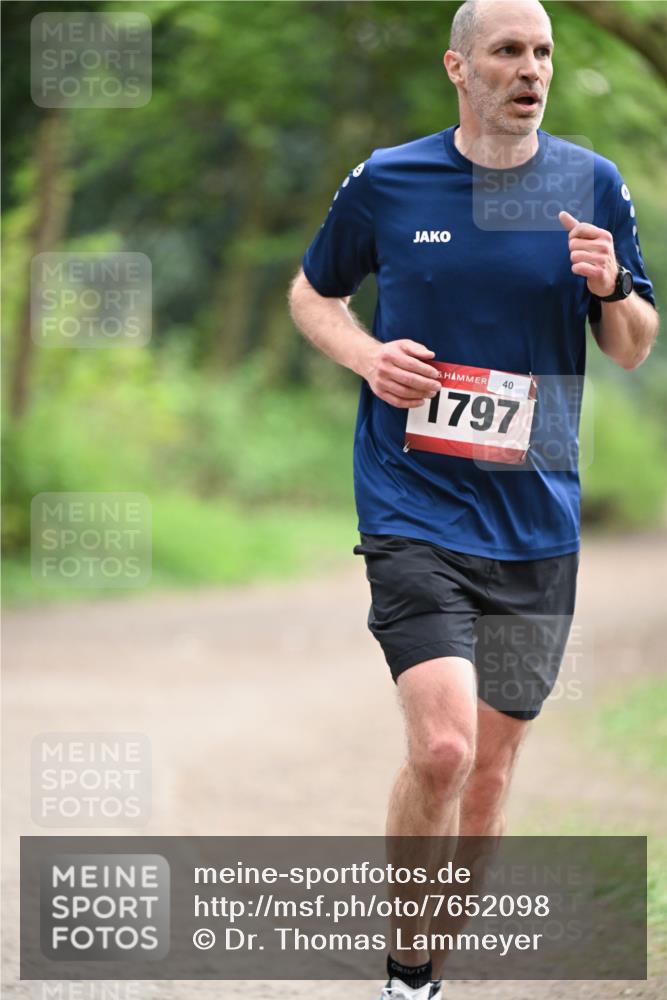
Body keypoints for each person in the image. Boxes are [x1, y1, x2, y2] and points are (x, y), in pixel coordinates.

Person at [288, 1, 659, 997]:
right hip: (414, 503)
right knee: (445, 747)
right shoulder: (390, 180)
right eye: (506, 51)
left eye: (542, 51)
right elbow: (311, 294)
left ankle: (429, 966)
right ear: (460, 67)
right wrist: (368, 357)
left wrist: (613, 284)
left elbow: (629, 347)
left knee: (491, 774)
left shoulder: (592, 184)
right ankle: (406, 977)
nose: (528, 68)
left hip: (536, 517)